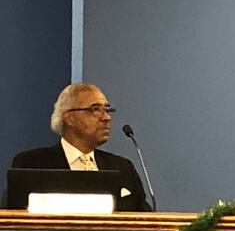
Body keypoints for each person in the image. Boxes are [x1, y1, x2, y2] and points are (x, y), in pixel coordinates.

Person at [6, 83, 151, 211]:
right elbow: (11, 216)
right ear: (69, 117)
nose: (106, 118)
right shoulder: (31, 163)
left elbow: (145, 220)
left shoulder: (123, 168)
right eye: (95, 109)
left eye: (107, 110)